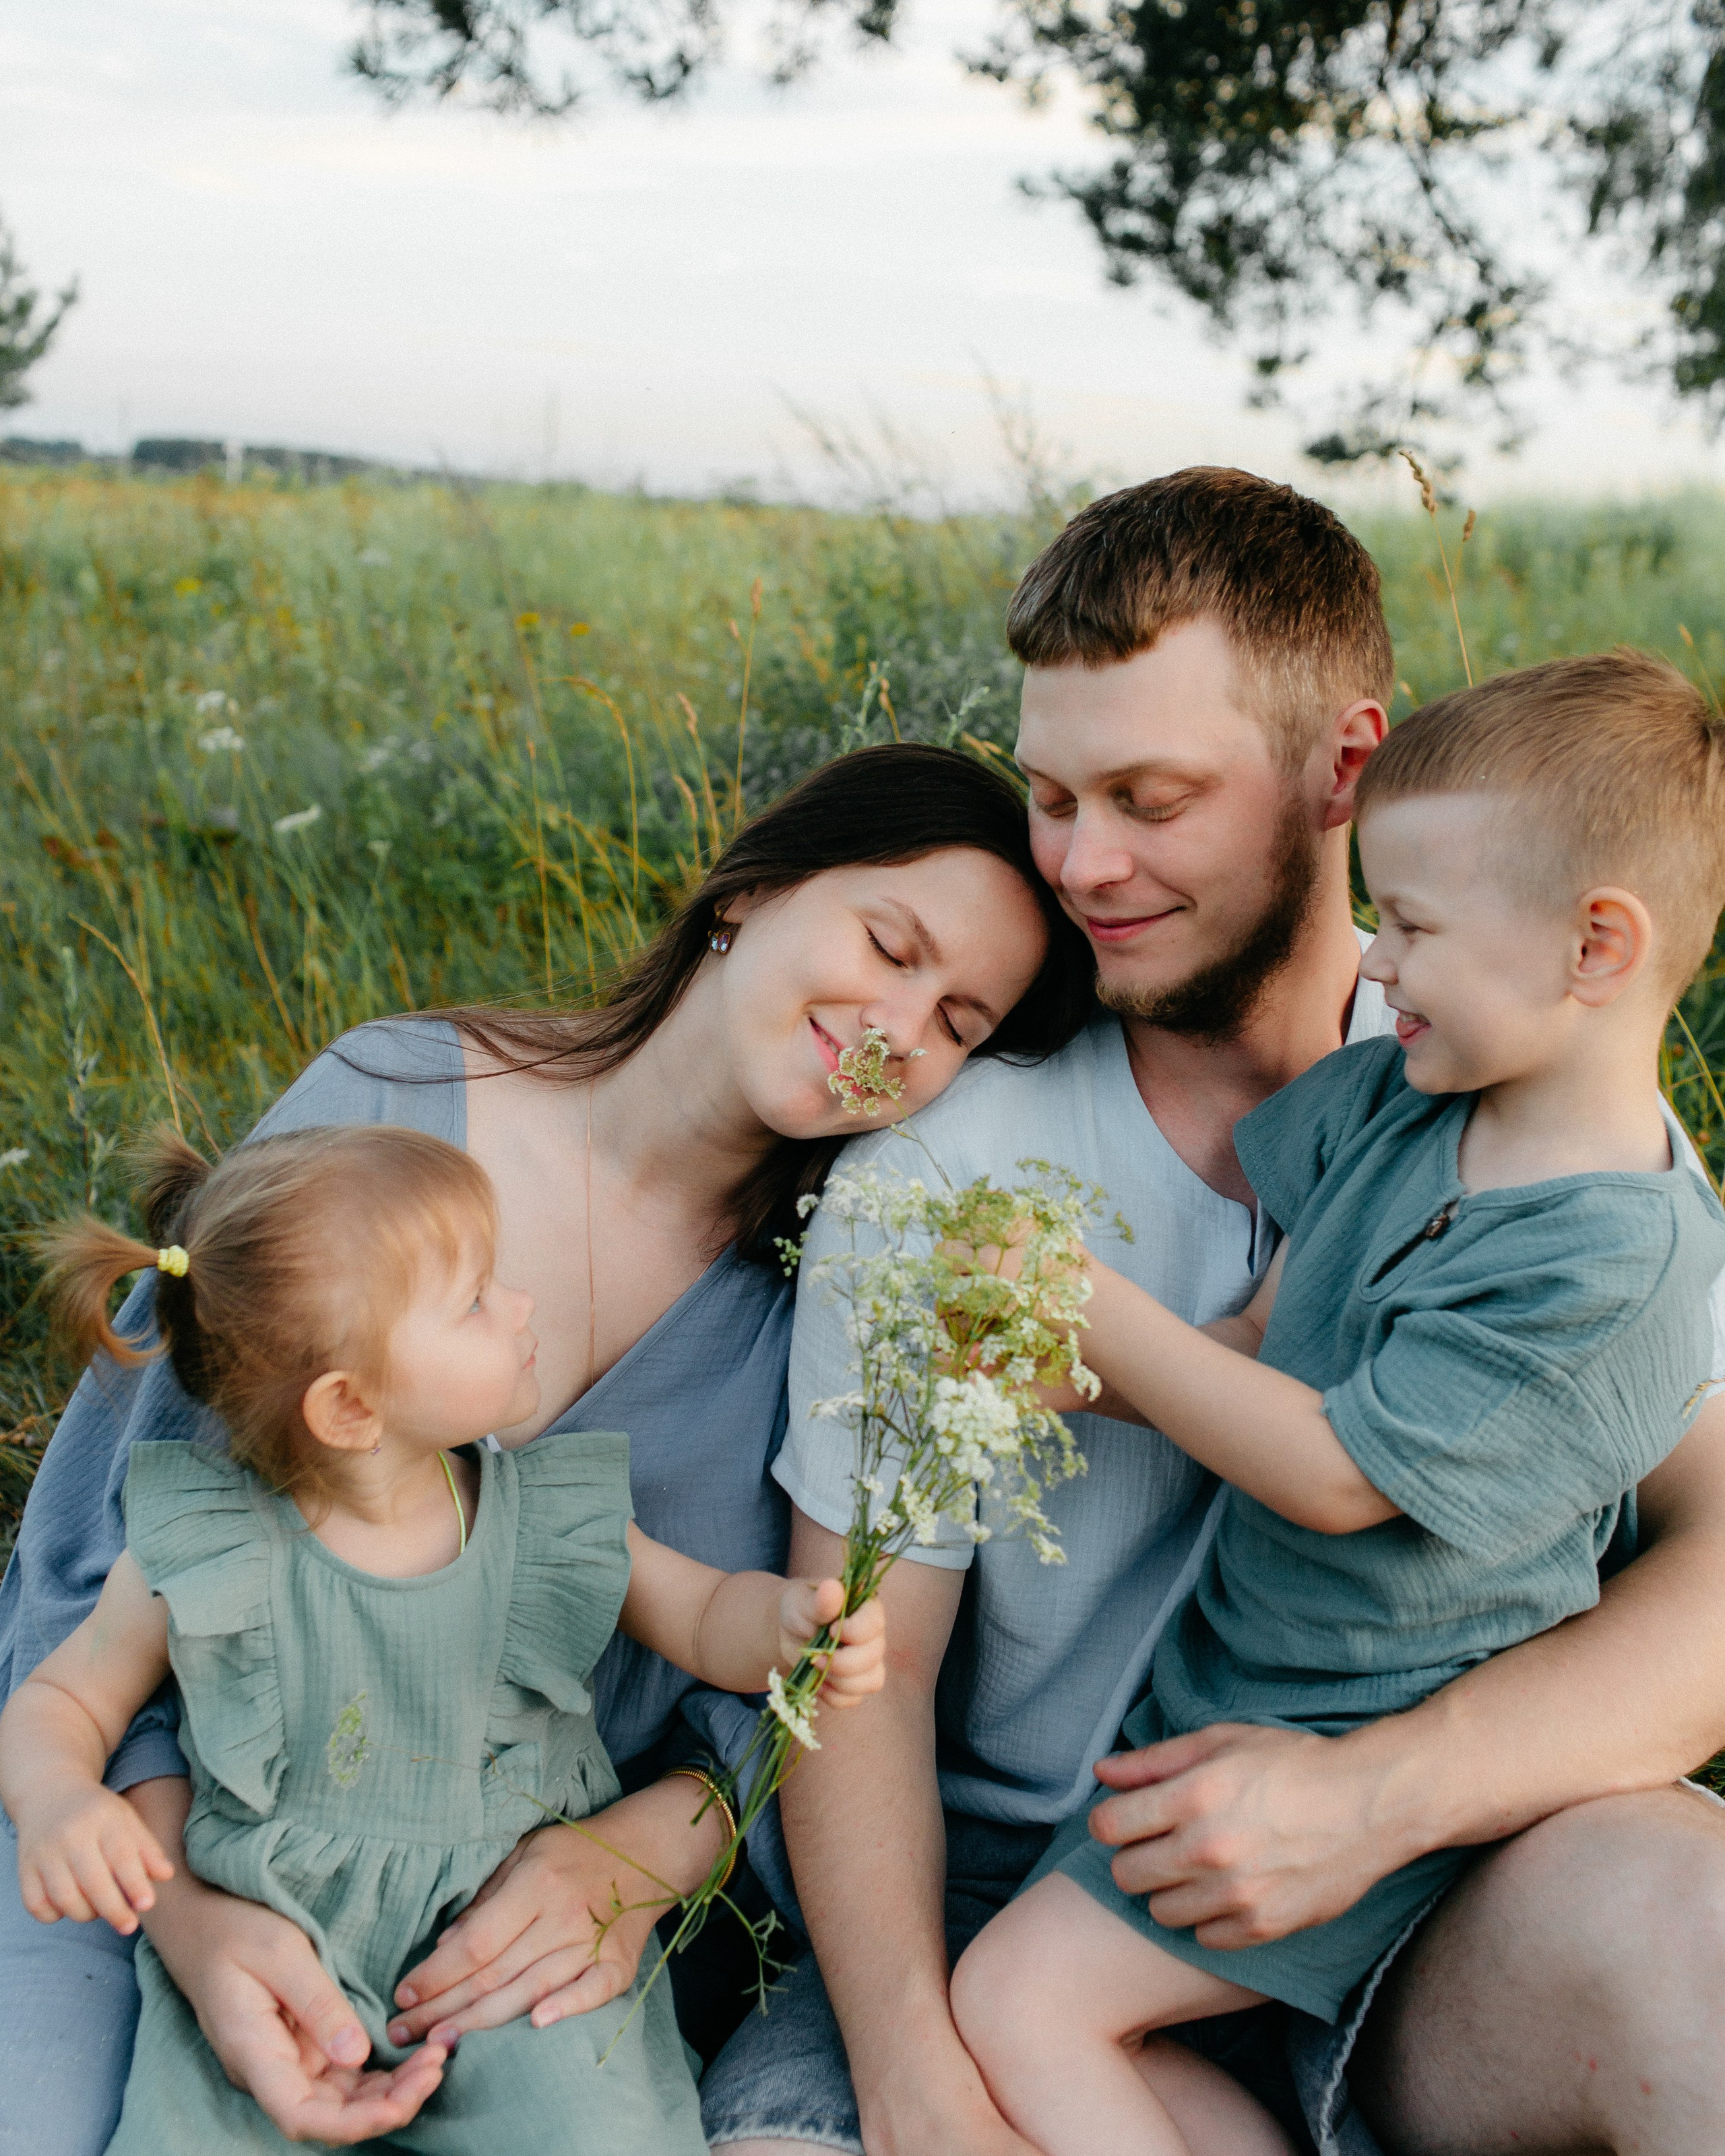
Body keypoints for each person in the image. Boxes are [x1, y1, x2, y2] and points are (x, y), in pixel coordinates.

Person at [705, 472, 1725, 2156]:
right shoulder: (952, 1173)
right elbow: (857, 1676)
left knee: (1687, 1932)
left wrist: (1369, 1799)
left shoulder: (1547, 1125)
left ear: (1345, 763)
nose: (1082, 863)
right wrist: (911, 2081)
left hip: (1417, 1904)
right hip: (1007, 1912)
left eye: (1148, 797)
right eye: (1048, 796)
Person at [0, 742, 1094, 2156]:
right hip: (164, 1854)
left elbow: (776, 1695)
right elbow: (106, 1556)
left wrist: (640, 1857)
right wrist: (197, 1920)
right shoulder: (392, 1102)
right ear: (746, 893)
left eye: (955, 1018)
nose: (896, 1026)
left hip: (517, 1933)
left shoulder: (829, 1289)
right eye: (887, 946)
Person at [949, 652, 1725, 2155]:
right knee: (1054, 2026)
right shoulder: (1396, 1105)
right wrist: (1082, 1376)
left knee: (1019, 2003)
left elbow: (1330, 1471)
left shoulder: (1611, 1261)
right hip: (1225, 1703)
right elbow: (1254, 1340)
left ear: (1593, 947)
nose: (1370, 963)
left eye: (1415, 927)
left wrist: (1091, 1307)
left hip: (1374, 1758)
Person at [2, 1121, 889, 2154]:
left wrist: (784, 1623)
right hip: (275, 1949)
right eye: (474, 1302)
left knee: (595, 2130)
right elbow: (63, 1700)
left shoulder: (542, 1518)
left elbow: (699, 1617)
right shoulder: (205, 1546)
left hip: (509, 1946)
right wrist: (59, 1795)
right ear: (349, 1406)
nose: (519, 1308)